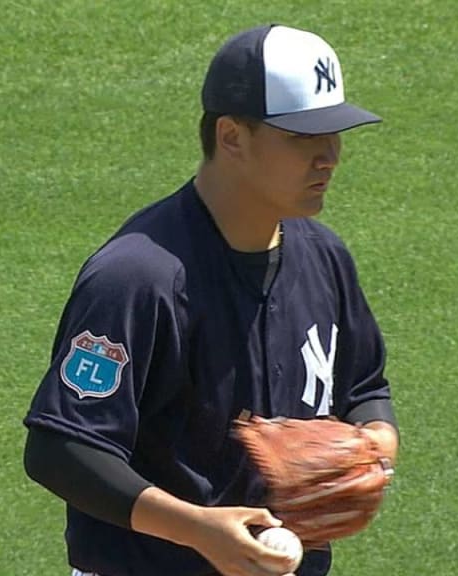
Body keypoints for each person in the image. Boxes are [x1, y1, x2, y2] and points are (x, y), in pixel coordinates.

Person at [23, 23, 399, 576]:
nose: (330, 156)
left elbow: (365, 387)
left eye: (335, 134)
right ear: (231, 137)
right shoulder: (137, 277)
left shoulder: (325, 259)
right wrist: (199, 530)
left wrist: (374, 449)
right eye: (302, 138)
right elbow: (61, 450)